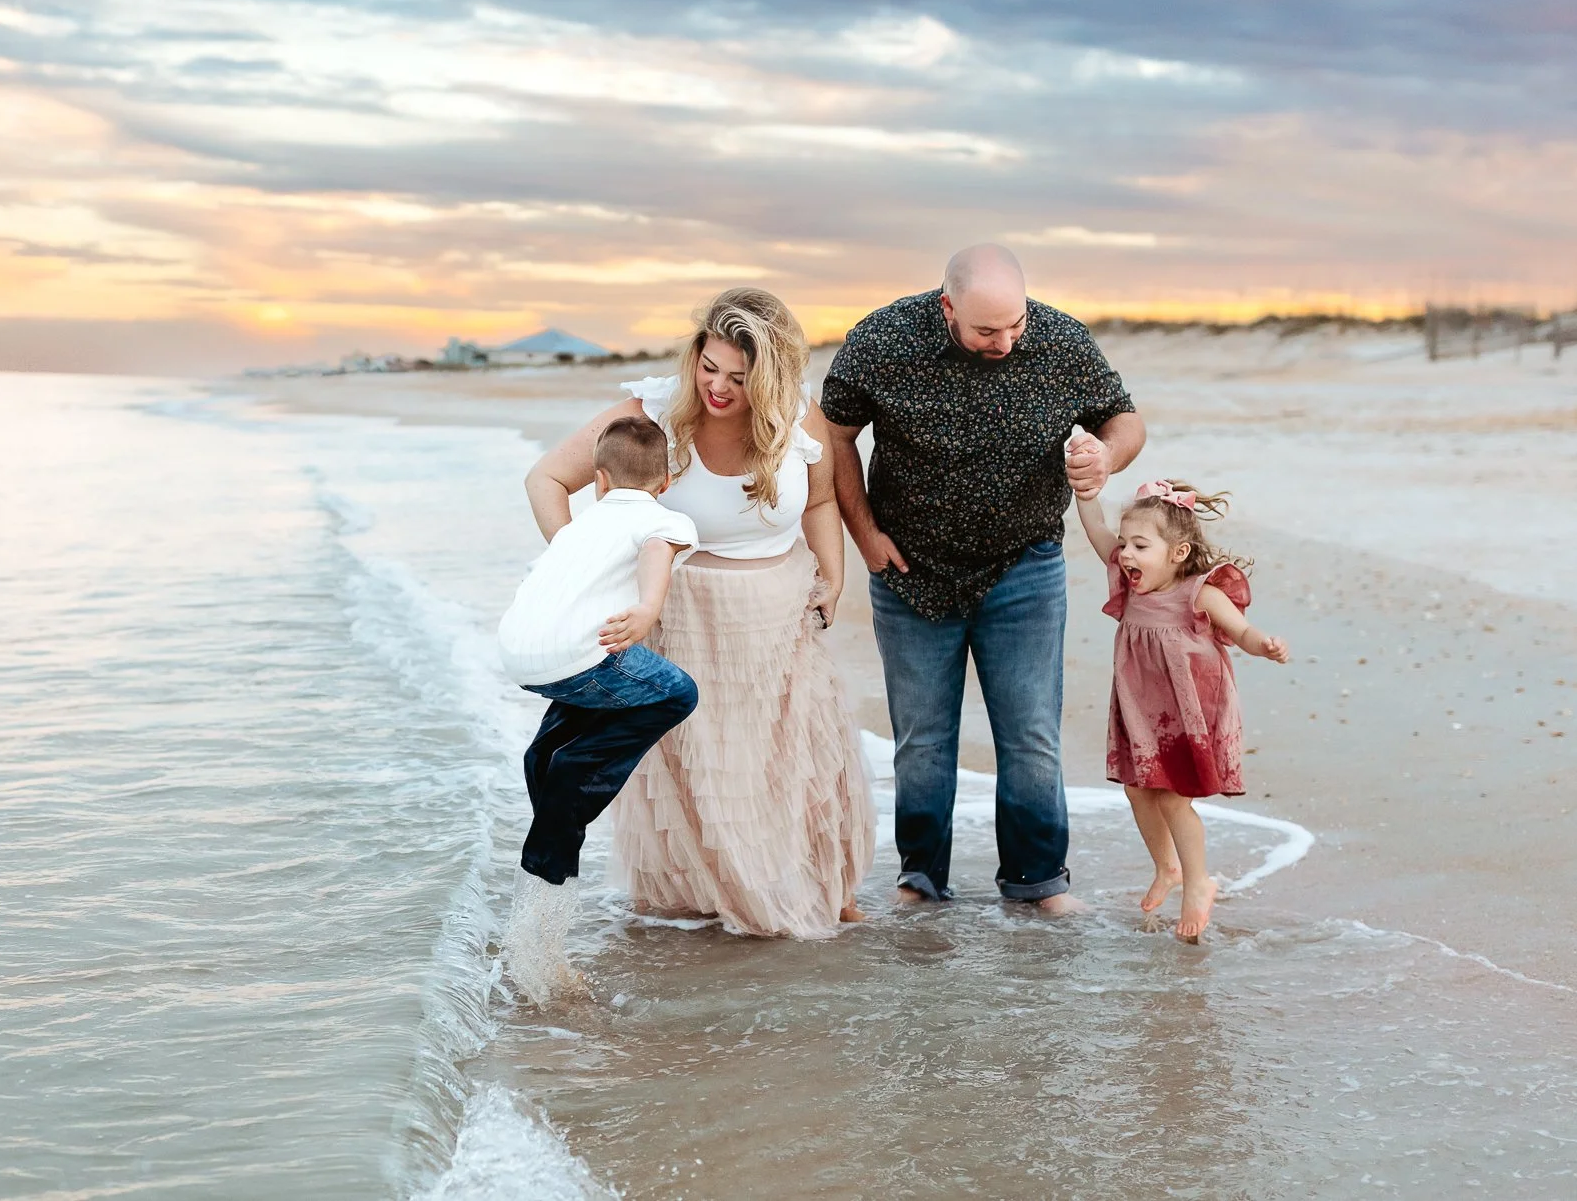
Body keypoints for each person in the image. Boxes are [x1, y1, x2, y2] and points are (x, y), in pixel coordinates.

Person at [524, 287, 875, 939]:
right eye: (708, 367)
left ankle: (823, 890)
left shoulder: (799, 418)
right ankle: (711, 906)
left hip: (778, 621)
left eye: (738, 378)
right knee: (702, 776)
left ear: (769, 378)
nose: (717, 386)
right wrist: (582, 563)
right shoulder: (650, 415)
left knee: (796, 768)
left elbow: (821, 500)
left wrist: (834, 573)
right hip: (682, 621)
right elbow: (545, 478)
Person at [821, 243, 1144, 912]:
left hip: (1024, 565)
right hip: (910, 570)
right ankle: (920, 877)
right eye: (986, 330)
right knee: (922, 742)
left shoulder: (1059, 339)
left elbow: (1124, 418)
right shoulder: (883, 339)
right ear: (947, 308)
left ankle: (1037, 881)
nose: (1004, 341)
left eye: (1014, 325)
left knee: (1030, 735)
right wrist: (865, 536)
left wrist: (1104, 455)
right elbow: (834, 433)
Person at [497, 416, 700, 997]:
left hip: (519, 653)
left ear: (601, 481)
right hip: (579, 659)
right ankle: (575, 774)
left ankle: (552, 757)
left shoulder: (580, 525)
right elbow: (659, 552)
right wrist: (647, 609)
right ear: (664, 481)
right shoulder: (664, 517)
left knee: (592, 699)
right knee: (677, 692)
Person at [1073, 479, 1291, 941]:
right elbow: (1094, 528)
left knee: (1173, 796)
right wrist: (1085, 491)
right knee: (1137, 790)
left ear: (1177, 552)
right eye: (1125, 543)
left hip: (1191, 708)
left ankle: (1199, 883)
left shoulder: (1199, 593)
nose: (1126, 554)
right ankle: (1167, 868)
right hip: (1141, 706)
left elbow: (1243, 632)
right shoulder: (1131, 584)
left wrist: (1264, 646)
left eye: (1140, 545)